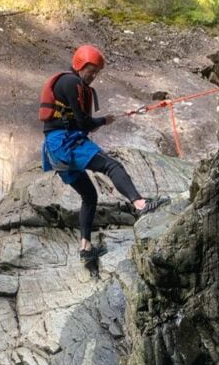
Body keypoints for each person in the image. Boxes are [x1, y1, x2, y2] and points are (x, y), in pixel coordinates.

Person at [39, 44, 169, 261]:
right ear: (80, 65)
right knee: (112, 165)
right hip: (66, 144)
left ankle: (85, 249)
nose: (94, 75)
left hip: (56, 149)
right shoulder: (71, 82)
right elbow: (83, 122)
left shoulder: (68, 82)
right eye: (92, 70)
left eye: (97, 72)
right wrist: (103, 120)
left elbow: (79, 122)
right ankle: (141, 204)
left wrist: (94, 123)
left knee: (89, 195)